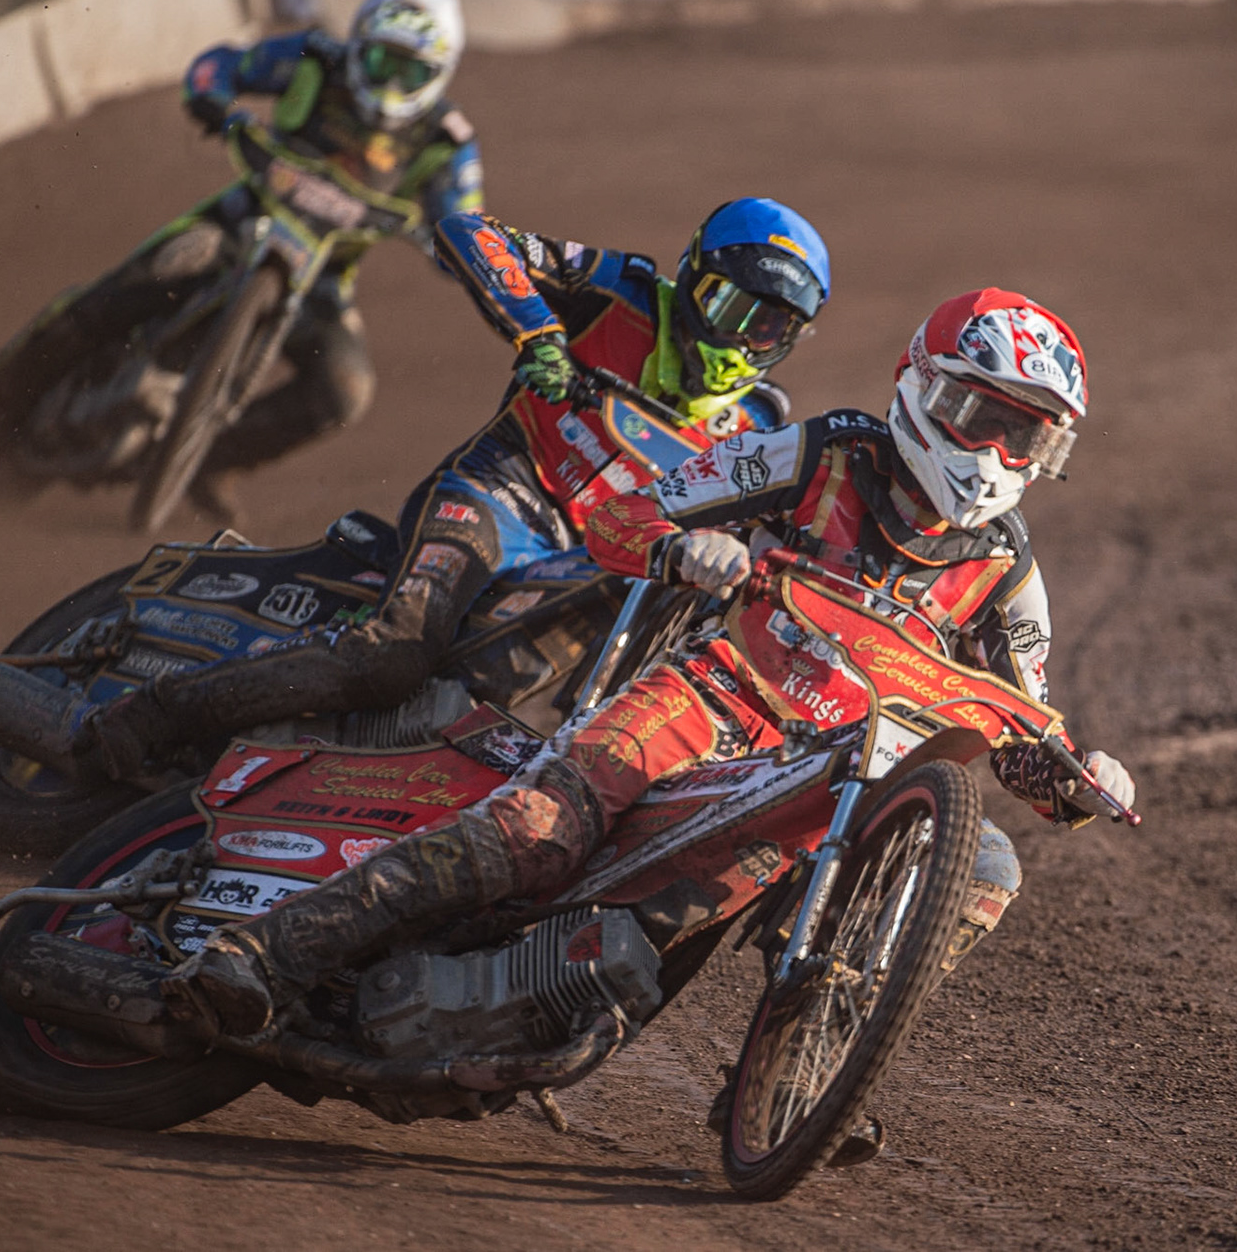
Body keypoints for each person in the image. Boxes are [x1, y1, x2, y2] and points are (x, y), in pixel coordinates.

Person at [158, 288, 1136, 1091]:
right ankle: (262, 954)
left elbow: (1023, 724)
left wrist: (1079, 776)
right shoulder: (824, 451)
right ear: (922, 387)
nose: (996, 455)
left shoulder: (1007, 573)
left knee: (985, 865)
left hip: (836, 775)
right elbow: (625, 518)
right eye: (983, 418)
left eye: (1026, 437)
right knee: (535, 833)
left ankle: (809, 1069)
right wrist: (680, 551)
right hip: (710, 701)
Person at [78, 195, 831, 778]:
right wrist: (538, 333)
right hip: (497, 496)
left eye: (770, 328)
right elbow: (471, 232)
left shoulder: (759, 424)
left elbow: (787, 522)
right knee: (393, 656)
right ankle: (150, 717)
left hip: (595, 564)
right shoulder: (620, 288)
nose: (743, 339)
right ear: (693, 277)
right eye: (733, 308)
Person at [0, 0, 481, 515]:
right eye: (383, 61)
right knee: (110, 299)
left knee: (345, 392)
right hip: (234, 225)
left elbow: (468, 227)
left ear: (441, 73)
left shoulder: (446, 141)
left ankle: (209, 462)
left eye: (412, 71)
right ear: (358, 43)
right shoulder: (315, 60)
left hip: (321, 281)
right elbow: (217, 65)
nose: (392, 82)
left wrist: (458, 256)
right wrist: (215, 103)